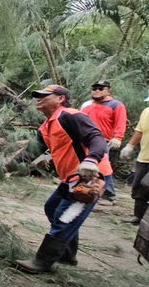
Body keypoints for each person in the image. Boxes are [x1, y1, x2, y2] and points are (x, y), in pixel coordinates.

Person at [16, 85, 113, 273]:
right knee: (51, 208)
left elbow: (97, 138)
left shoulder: (70, 116)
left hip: (91, 177)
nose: (39, 98)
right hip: (70, 178)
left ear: (60, 98)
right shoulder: (46, 126)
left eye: (45, 95)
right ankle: (67, 253)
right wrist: (6, 165)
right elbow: (33, 151)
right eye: (37, 96)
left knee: (65, 217)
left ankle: (42, 262)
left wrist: (91, 159)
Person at [80, 80, 126, 201]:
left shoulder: (115, 105)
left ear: (108, 91)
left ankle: (109, 196)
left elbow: (120, 122)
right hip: (83, 141)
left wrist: (118, 137)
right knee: (86, 166)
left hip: (102, 141)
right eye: (94, 88)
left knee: (103, 167)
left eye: (101, 88)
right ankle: (88, 192)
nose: (97, 91)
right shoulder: (86, 105)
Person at [119, 94, 149, 225]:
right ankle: (138, 216)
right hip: (144, 157)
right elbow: (140, 131)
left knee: (147, 184)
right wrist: (130, 146)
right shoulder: (147, 111)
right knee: (138, 187)